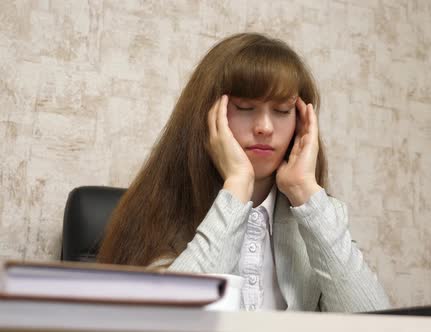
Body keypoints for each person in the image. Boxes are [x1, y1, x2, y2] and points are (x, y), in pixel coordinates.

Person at [97, 32, 390, 312]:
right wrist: (237, 188)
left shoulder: (319, 218)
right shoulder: (156, 214)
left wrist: (305, 193)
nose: (265, 126)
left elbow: (378, 324)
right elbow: (167, 320)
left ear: (303, 122)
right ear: (207, 116)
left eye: (282, 110)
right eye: (246, 107)